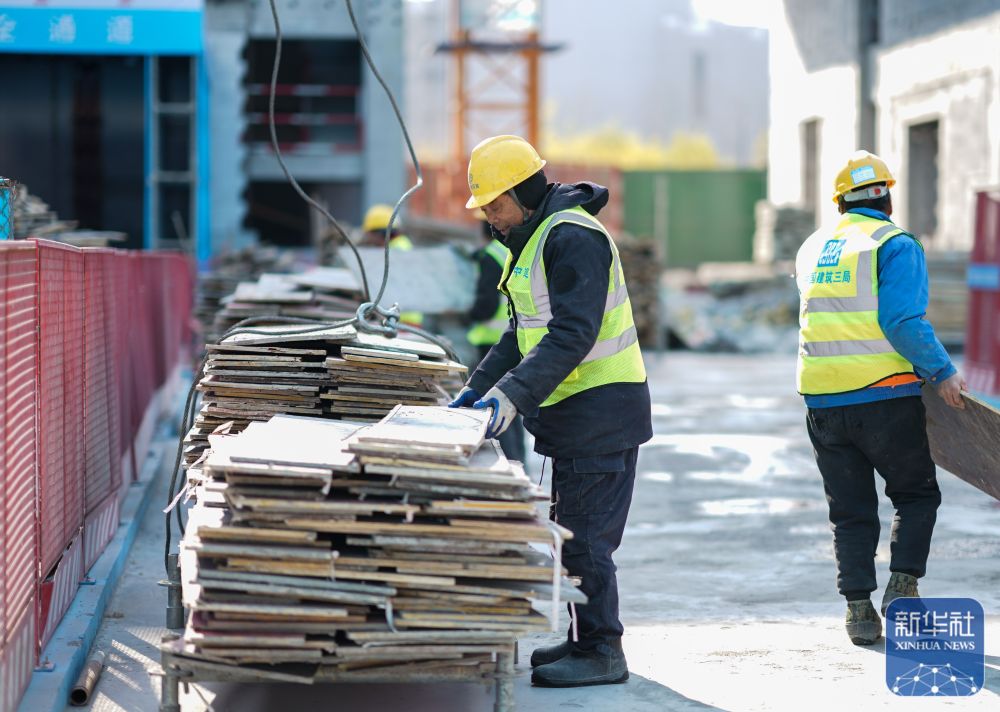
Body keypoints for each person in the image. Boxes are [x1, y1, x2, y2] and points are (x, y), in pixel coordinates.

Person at [449, 135, 652, 687]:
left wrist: (511, 398)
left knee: (587, 540)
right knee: (570, 534)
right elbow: (523, 331)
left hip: (602, 412)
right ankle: (584, 637)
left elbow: (573, 333)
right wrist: (476, 390)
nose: (489, 217)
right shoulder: (535, 236)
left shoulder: (571, 238)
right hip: (576, 415)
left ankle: (603, 651)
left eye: (494, 204)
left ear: (523, 191)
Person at [795, 150, 966, 646]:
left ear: (840, 200)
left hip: (821, 399)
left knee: (849, 508)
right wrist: (942, 372)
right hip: (884, 396)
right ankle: (902, 587)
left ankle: (858, 612)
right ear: (887, 195)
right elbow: (901, 320)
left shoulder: (811, 247)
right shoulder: (894, 243)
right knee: (914, 495)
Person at [466, 212, 526, 462]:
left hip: (494, 342)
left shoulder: (490, 256)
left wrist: (466, 315)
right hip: (512, 339)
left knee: (495, 407)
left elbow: (486, 305)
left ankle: (506, 463)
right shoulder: (509, 252)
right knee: (510, 405)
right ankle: (518, 463)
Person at [361, 204, 423, 327]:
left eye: (370, 235)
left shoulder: (395, 252)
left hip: (401, 318)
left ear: (380, 233)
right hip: (403, 316)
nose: (369, 239)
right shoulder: (402, 245)